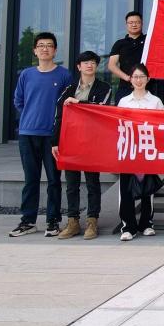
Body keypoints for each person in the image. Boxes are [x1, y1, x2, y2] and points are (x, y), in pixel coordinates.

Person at [9, 32, 74, 238]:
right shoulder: (26, 74)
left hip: (52, 136)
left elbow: (68, 106)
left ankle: (53, 221)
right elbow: (19, 101)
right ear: (35, 50)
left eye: (49, 45)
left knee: (54, 180)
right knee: (31, 179)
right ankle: (28, 221)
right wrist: (31, 116)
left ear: (55, 50)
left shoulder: (64, 75)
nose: (45, 49)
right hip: (27, 133)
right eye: (41, 45)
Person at [52, 50, 111, 241]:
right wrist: (55, 141)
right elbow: (59, 116)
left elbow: (100, 108)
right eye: (85, 62)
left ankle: (92, 221)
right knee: (72, 184)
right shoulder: (69, 89)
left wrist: (78, 102)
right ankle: (73, 222)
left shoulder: (104, 87)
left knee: (93, 183)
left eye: (93, 62)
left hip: (92, 142)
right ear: (79, 67)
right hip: (70, 142)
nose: (89, 65)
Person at [116, 64, 164, 241]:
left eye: (142, 77)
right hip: (128, 149)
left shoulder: (155, 101)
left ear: (148, 79)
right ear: (130, 79)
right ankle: (128, 226)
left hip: (148, 149)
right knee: (125, 189)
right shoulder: (123, 101)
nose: (138, 80)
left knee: (147, 188)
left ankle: (146, 224)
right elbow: (117, 125)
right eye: (135, 77)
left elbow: (163, 125)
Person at [107, 11, 147, 104]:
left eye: (137, 22)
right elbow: (111, 65)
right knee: (121, 111)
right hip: (125, 86)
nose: (134, 25)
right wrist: (128, 78)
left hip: (147, 86)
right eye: (131, 22)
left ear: (142, 24)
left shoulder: (149, 40)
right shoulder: (119, 43)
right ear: (126, 24)